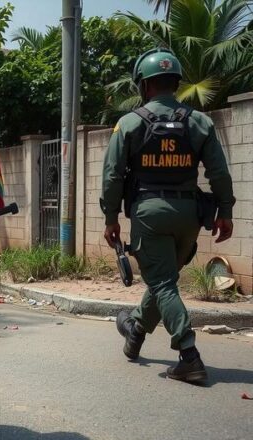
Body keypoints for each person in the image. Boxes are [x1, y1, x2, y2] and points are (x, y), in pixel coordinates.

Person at [101, 48, 235, 384]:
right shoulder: (199, 121)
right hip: (190, 214)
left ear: (144, 86)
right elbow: (219, 173)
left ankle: (189, 355)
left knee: (161, 283)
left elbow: (113, 176)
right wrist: (226, 212)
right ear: (175, 83)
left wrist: (111, 218)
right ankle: (135, 329)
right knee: (165, 281)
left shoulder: (130, 123)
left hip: (150, 213)